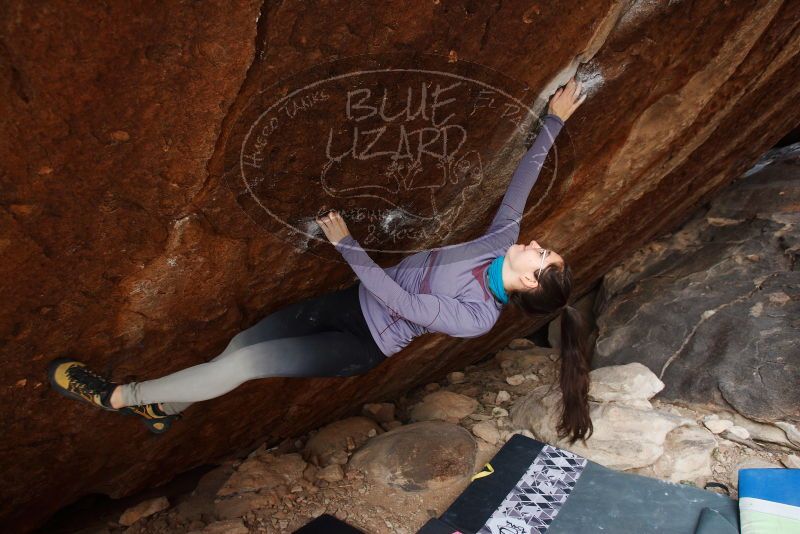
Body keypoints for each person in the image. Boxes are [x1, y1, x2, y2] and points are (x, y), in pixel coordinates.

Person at [49, 76, 591, 442]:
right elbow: (524, 179)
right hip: (345, 302)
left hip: (359, 343)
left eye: (541, 257)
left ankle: (118, 397)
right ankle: (164, 410)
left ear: (526, 284)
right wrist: (555, 119)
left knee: (242, 365)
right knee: (238, 346)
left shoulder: (477, 318)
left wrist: (347, 244)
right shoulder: (500, 243)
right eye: (544, 247)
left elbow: (397, 298)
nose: (536, 245)